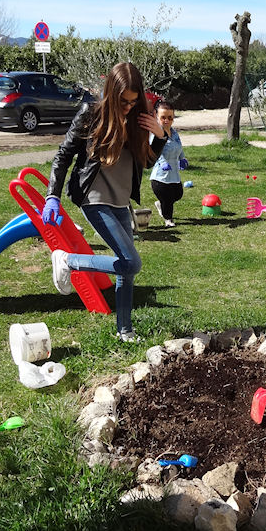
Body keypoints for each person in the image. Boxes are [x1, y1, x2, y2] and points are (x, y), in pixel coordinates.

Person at [41, 62, 168, 342]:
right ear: (111, 93)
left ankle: (125, 330)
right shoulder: (91, 114)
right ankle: (68, 261)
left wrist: (160, 137)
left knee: (126, 268)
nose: (128, 107)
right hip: (94, 197)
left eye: (133, 102)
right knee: (131, 262)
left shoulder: (137, 120)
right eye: (123, 102)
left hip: (121, 201)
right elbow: (63, 155)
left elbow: (146, 162)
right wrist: (52, 195)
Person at [150, 100, 188, 228]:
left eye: (170, 117)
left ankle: (161, 204)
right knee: (167, 198)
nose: (167, 120)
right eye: (163, 117)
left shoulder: (174, 133)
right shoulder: (155, 134)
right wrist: (162, 163)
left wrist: (182, 158)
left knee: (178, 194)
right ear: (157, 117)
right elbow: (154, 151)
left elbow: (179, 147)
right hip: (160, 177)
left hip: (173, 174)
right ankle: (168, 219)